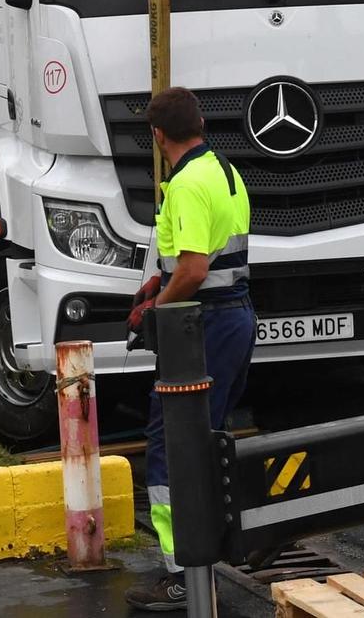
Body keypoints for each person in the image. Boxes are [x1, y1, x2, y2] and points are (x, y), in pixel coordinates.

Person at [126, 86, 255, 613]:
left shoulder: (186, 184)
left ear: (157, 136)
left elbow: (197, 269)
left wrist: (158, 309)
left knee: (172, 443)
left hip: (204, 325)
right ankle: (205, 560)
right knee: (207, 440)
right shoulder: (223, 170)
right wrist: (159, 285)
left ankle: (183, 573)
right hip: (232, 317)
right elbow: (207, 261)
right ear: (199, 123)